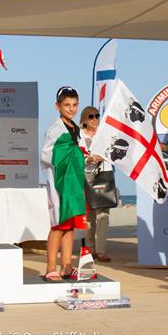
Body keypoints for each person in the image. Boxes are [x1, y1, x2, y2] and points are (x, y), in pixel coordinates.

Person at [41, 86, 87, 281]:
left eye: (75, 105)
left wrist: (88, 157)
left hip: (73, 183)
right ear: (57, 106)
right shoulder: (55, 129)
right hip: (60, 183)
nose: (71, 108)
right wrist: (78, 154)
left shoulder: (75, 128)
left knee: (70, 225)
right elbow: (49, 154)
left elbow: (79, 152)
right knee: (58, 225)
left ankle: (66, 266)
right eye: (66, 105)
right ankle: (51, 267)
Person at [79, 106, 113, 263]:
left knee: (104, 214)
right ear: (84, 120)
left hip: (104, 174)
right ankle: (91, 249)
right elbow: (76, 157)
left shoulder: (104, 134)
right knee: (90, 215)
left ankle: (101, 251)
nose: (95, 119)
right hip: (86, 175)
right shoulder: (78, 136)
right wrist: (90, 159)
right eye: (91, 116)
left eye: (97, 116)